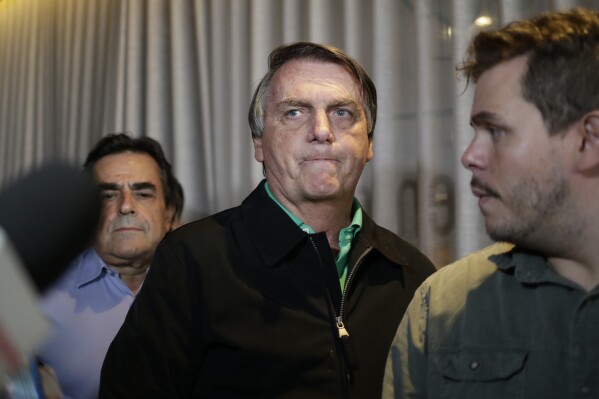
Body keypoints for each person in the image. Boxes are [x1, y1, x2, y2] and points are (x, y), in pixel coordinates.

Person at [99, 42, 436, 398]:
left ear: (368, 144)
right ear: (259, 142)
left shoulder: (411, 275)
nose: (321, 130)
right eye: (294, 112)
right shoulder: (191, 263)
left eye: (342, 113)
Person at [383, 7, 599, 399]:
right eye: (475, 131)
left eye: (495, 131)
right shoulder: (441, 309)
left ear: (589, 139)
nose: (469, 156)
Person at [35, 133, 183, 399]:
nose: (126, 206)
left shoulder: (202, 289)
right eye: (108, 195)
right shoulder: (37, 293)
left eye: (143, 193)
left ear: (169, 213)